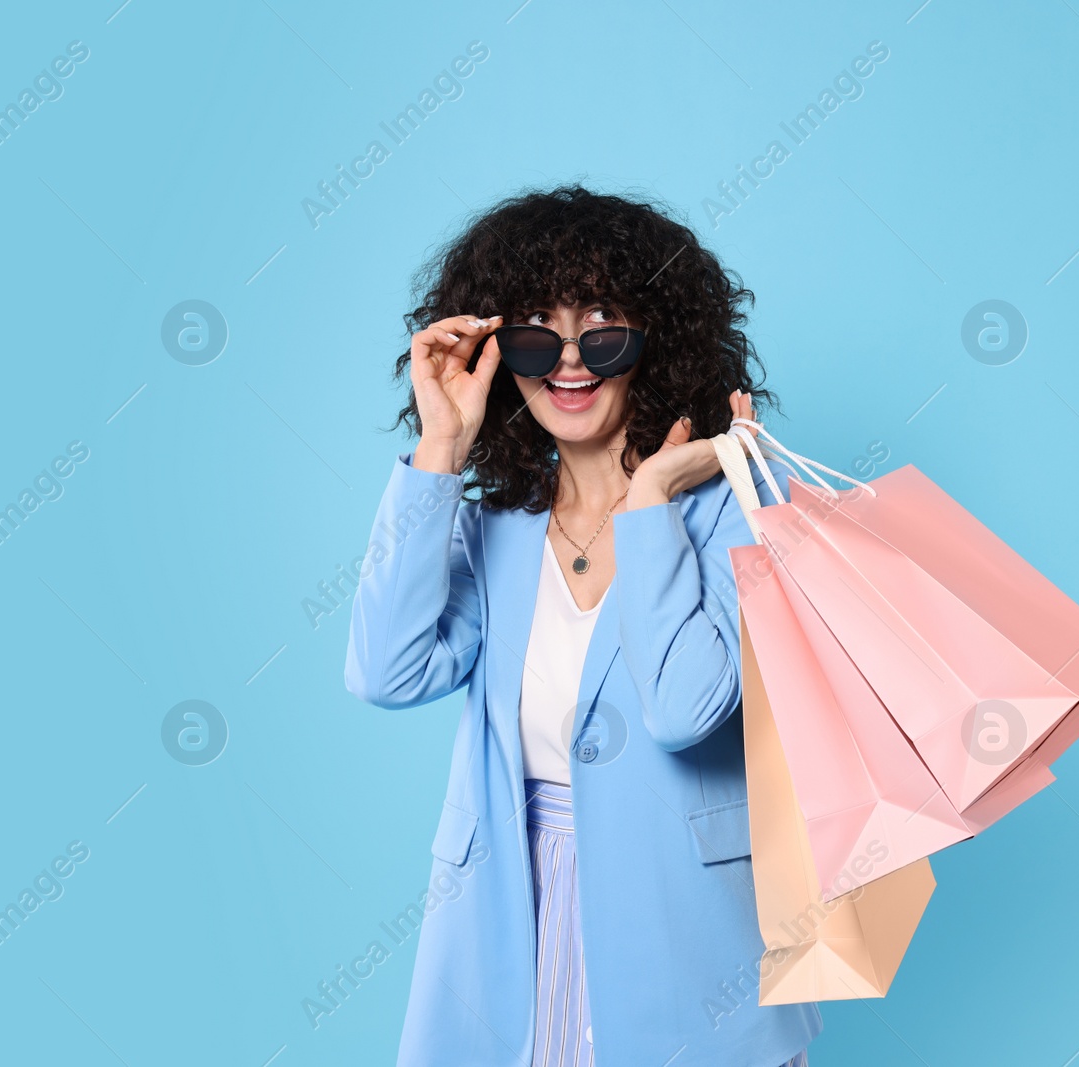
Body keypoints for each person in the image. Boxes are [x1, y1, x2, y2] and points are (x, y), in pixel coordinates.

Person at [345, 185, 817, 1066]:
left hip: (685, 937)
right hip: (505, 925)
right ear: (495, 352)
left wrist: (648, 508)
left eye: (603, 326)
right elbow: (385, 669)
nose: (570, 361)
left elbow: (682, 708)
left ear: (657, 340)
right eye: (533, 331)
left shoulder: (740, 510)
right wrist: (439, 449)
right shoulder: (500, 525)